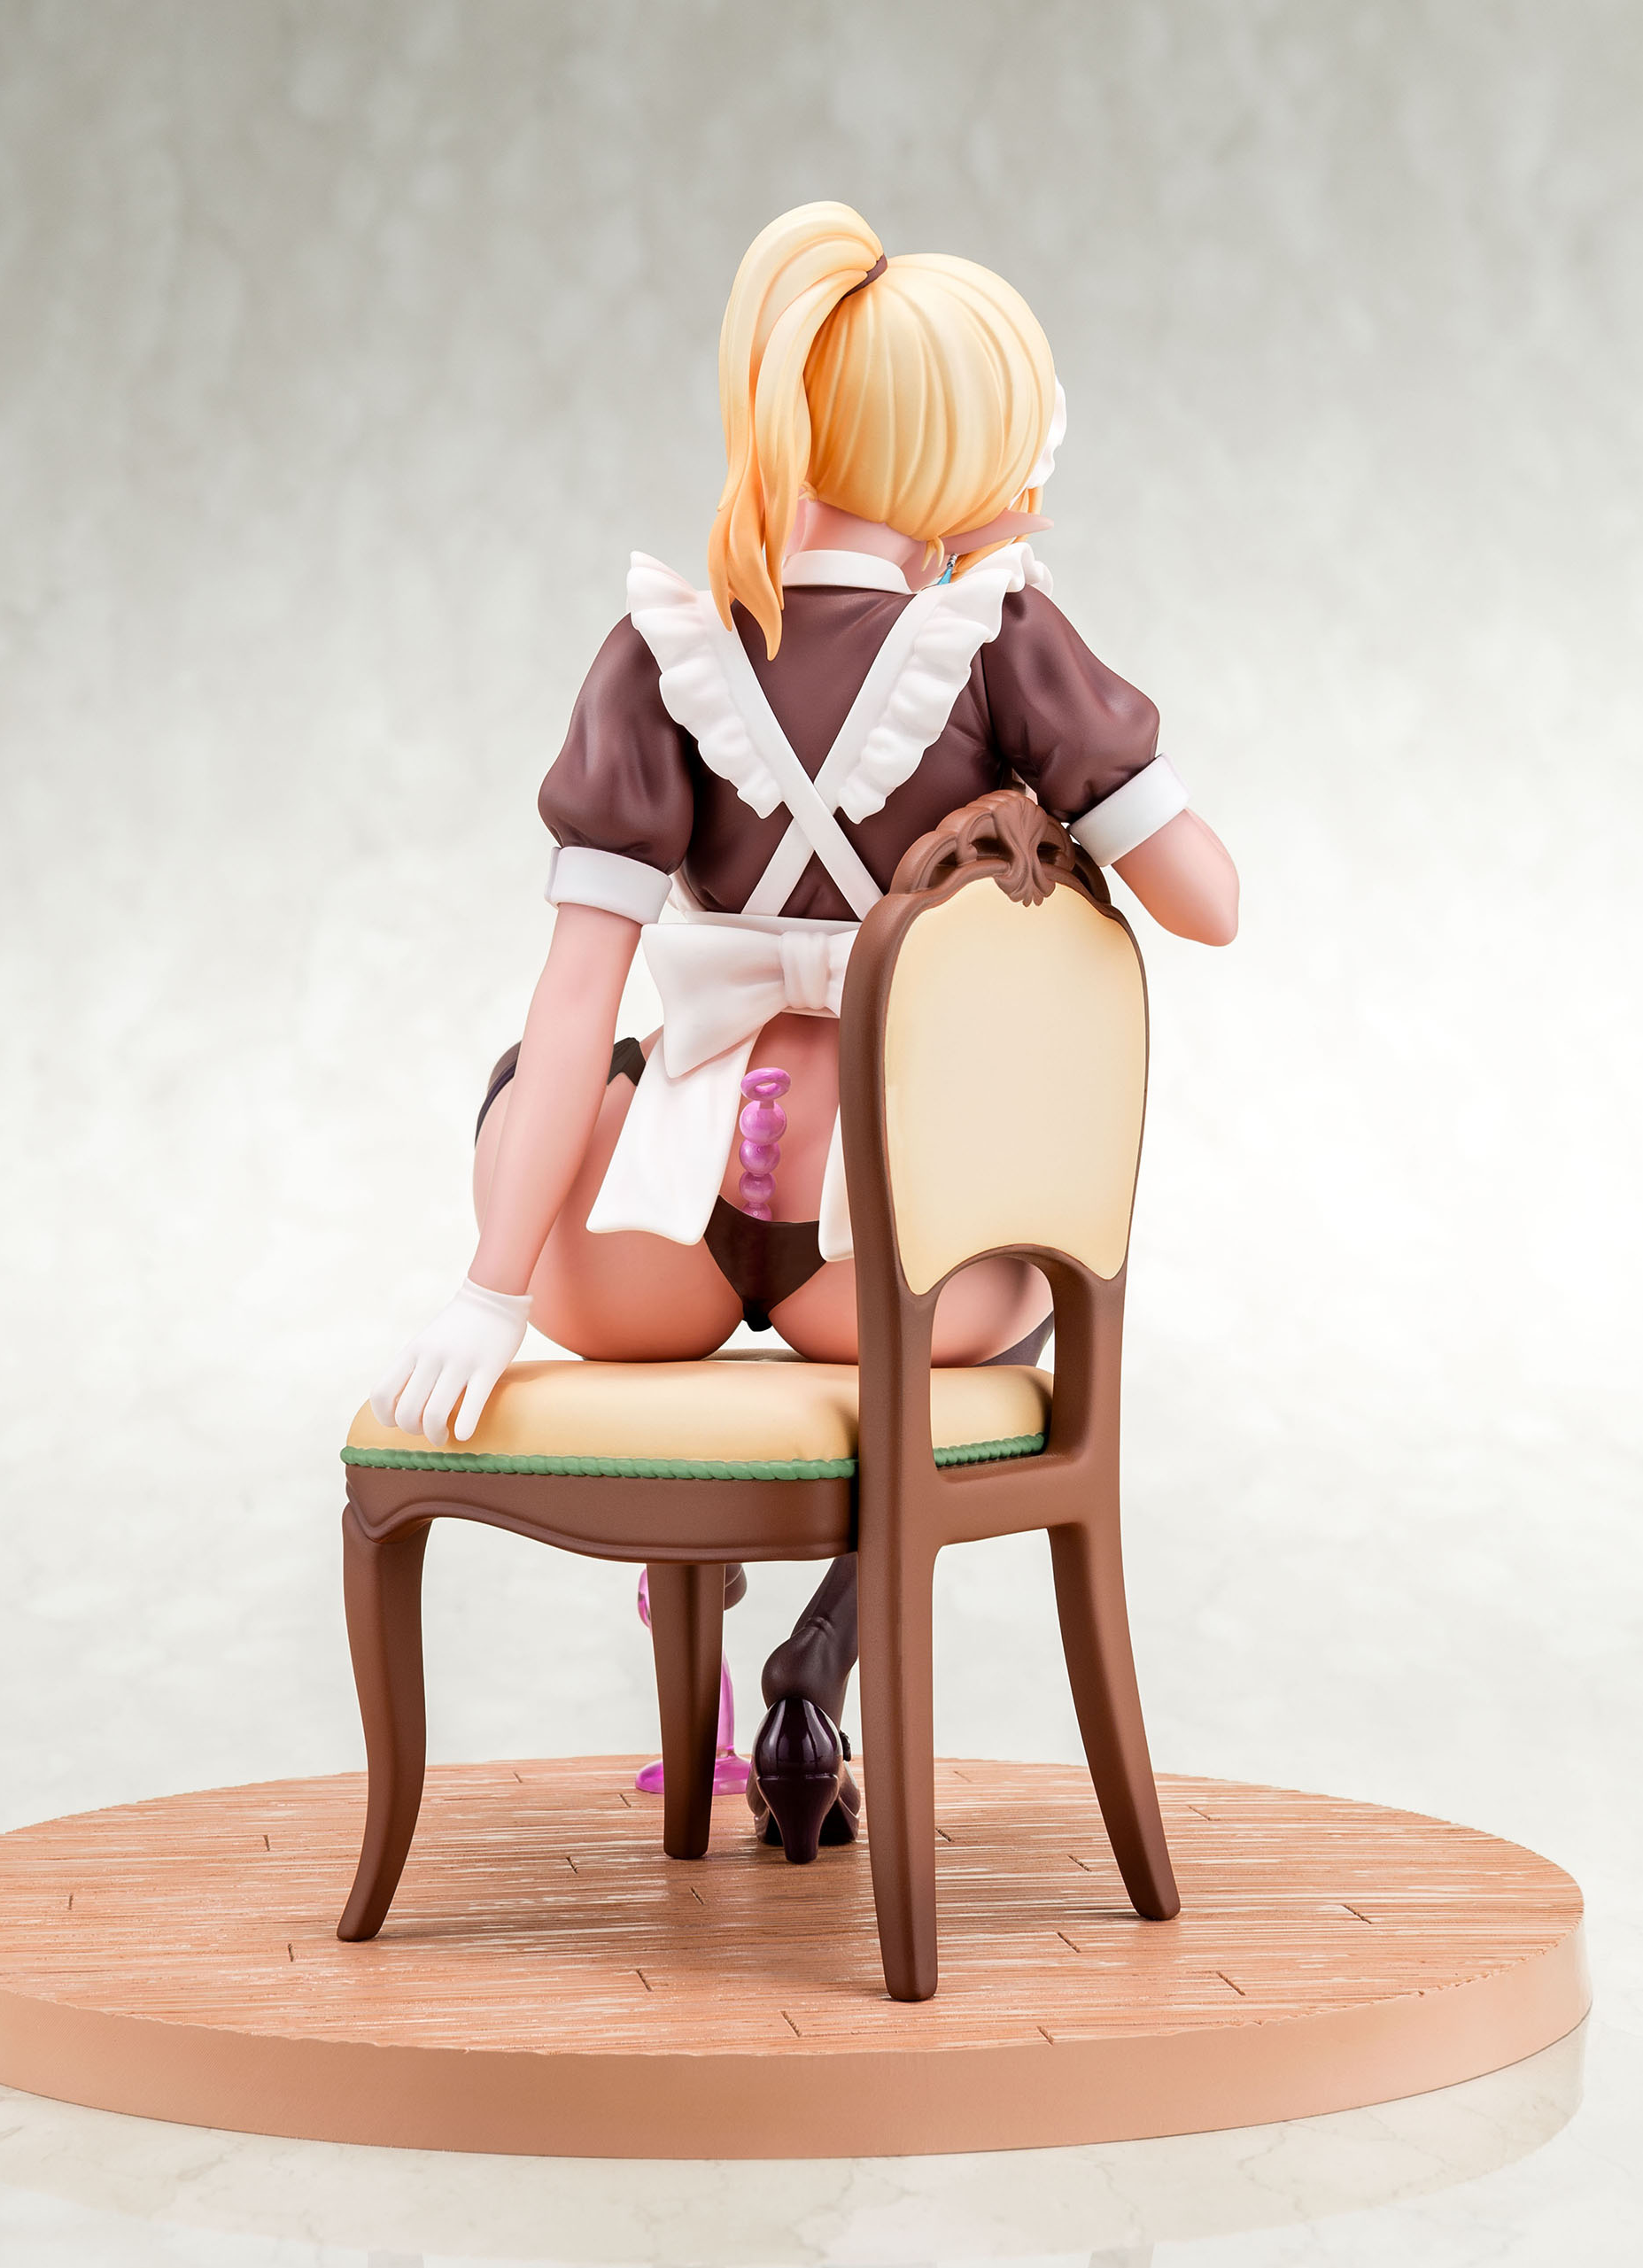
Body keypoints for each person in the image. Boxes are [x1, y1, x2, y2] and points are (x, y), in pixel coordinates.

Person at [372, 201, 1238, 1859]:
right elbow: (1208, 901)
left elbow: (573, 999)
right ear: (968, 454)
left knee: (538, 1074)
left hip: (643, 1250)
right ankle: (817, 1659)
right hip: (886, 1259)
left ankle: (692, 1622)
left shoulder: (662, 646)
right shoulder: (999, 641)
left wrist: (491, 1289)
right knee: (1043, 1277)